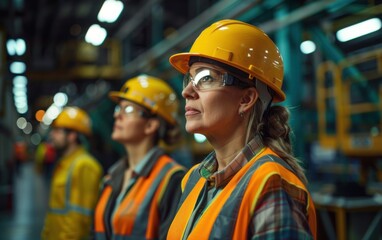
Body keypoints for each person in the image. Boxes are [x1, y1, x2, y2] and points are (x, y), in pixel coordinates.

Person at [166, 19, 317, 239]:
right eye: (189, 79)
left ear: (246, 99)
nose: (187, 91)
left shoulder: (271, 186)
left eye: (205, 78)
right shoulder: (193, 179)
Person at [94, 75, 186, 240]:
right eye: (118, 109)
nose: (117, 115)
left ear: (151, 125)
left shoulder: (172, 179)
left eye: (128, 109)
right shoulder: (112, 176)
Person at [42, 106, 103, 240]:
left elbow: (79, 220)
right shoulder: (64, 164)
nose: (52, 135)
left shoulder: (84, 166)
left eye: (57, 131)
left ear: (72, 136)